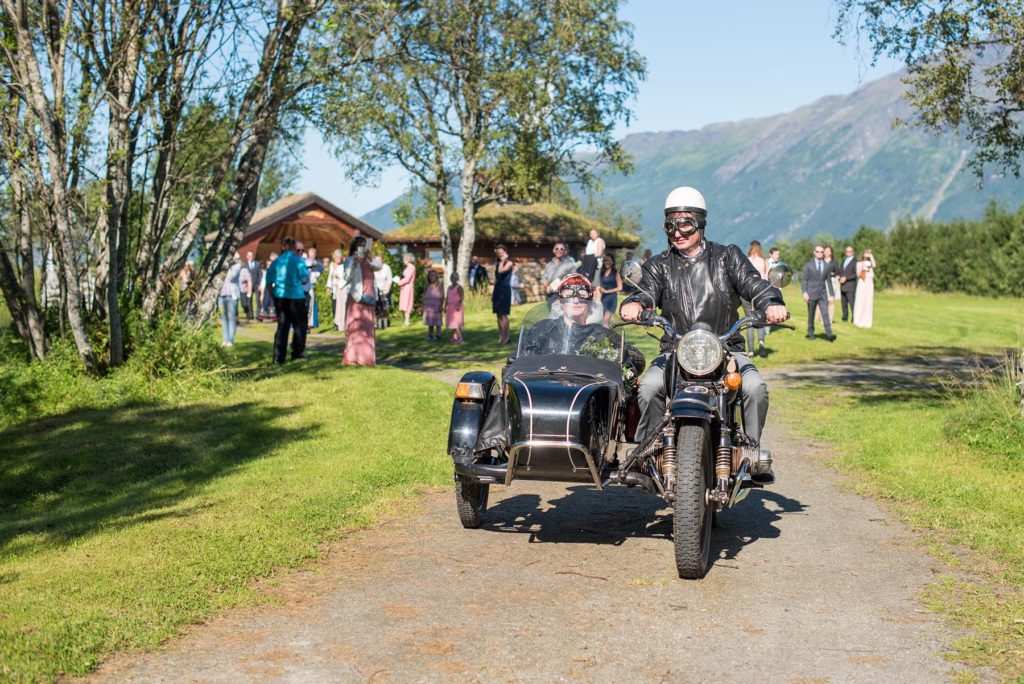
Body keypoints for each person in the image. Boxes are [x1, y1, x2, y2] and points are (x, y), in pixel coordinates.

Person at [619, 187, 788, 474]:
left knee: (754, 388)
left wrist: (771, 302)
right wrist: (635, 303)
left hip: (726, 348)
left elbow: (752, 284)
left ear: (700, 223)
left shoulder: (727, 257)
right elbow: (646, 290)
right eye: (670, 225)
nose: (678, 231)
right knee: (648, 387)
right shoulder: (659, 265)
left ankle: (751, 451)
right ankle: (649, 451)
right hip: (675, 349)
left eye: (685, 223)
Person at [521, 273, 617, 356]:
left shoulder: (601, 334)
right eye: (568, 296)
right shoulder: (542, 330)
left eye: (582, 296)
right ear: (560, 303)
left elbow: (628, 358)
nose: (575, 301)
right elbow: (518, 361)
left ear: (590, 302)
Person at [265, 236, 309, 364]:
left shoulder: (276, 262)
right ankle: (297, 352)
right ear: (295, 247)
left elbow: (268, 282)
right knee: (300, 326)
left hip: (281, 297)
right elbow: (304, 279)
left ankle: (278, 358)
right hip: (296, 297)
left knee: (282, 327)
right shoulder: (299, 261)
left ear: (283, 247)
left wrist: (273, 296)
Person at [342, 236, 377, 365]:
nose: (363, 247)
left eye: (364, 245)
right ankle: (353, 357)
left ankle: (367, 358)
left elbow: (378, 267)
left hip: (369, 296)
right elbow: (347, 277)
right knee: (355, 327)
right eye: (360, 245)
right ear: (355, 247)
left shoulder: (369, 260)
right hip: (357, 297)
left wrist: (370, 257)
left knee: (367, 328)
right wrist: (355, 263)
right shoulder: (350, 260)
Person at [801, 244, 836, 341]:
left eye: (821, 252)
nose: (820, 253)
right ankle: (810, 332)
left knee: (825, 314)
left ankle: (829, 334)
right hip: (811, 293)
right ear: (814, 252)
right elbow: (804, 279)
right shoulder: (808, 265)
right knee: (811, 315)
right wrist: (804, 292)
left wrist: (832, 294)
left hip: (823, 294)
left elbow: (828, 280)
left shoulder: (827, 265)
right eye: (818, 251)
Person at [742, 240, 770, 357]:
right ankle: (761, 341)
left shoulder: (746, 260)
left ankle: (751, 350)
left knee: (749, 321)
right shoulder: (764, 261)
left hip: (747, 292)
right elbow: (769, 277)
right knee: (760, 319)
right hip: (761, 291)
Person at [218, 255, 243, 347]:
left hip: (232, 296)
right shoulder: (222, 266)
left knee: (231, 318)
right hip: (221, 296)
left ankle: (231, 340)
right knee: (223, 318)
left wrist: (227, 266)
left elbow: (231, 277)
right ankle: (225, 339)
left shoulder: (237, 266)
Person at [492, 244, 514, 344]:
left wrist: (503, 260)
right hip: (497, 289)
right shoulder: (498, 263)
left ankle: (507, 337)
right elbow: (497, 278)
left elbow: (501, 271)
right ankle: (501, 336)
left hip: (505, 290)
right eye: (498, 253)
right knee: (498, 315)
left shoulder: (509, 263)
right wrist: (493, 293)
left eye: (501, 252)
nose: (499, 254)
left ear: (505, 252)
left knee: (504, 315)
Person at [596, 252, 622, 327]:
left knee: (605, 320)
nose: (607, 262)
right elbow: (600, 285)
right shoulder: (601, 273)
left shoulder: (616, 273)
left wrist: (607, 291)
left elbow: (620, 287)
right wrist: (600, 289)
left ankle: (607, 337)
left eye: (609, 260)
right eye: (605, 260)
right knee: (600, 320)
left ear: (613, 262)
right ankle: (601, 337)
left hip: (612, 299)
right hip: (603, 299)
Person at [853, 250, 876, 328]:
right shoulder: (859, 263)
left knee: (868, 301)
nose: (866, 257)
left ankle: (867, 321)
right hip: (862, 282)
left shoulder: (871, 263)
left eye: (867, 256)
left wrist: (871, 255)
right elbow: (858, 274)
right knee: (860, 300)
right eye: (864, 256)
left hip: (869, 282)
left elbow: (874, 265)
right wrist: (863, 267)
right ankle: (857, 320)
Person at [837, 245, 858, 322]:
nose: (848, 253)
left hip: (850, 286)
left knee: (852, 304)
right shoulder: (844, 261)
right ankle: (844, 318)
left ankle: (854, 319)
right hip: (842, 286)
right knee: (843, 304)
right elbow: (840, 271)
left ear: (853, 252)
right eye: (847, 251)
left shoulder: (855, 262)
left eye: (850, 251)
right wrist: (838, 275)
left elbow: (856, 274)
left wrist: (846, 278)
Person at [422, 268, 444, 340]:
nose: (432, 277)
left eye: (433, 276)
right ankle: (430, 334)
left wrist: (441, 305)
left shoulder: (439, 285)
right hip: (428, 306)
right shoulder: (427, 285)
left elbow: (442, 296)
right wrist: (423, 305)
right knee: (430, 321)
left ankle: (438, 334)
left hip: (437, 306)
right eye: (431, 276)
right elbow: (424, 295)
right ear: (428, 277)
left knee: (437, 321)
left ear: (436, 277)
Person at [373, 255, 393, 329]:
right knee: (375, 306)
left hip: (385, 288)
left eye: (379, 260)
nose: (378, 261)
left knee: (385, 306)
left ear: (382, 260)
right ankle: (375, 322)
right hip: (375, 289)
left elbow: (389, 280)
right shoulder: (373, 268)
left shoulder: (386, 268)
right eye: (376, 260)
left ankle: (387, 319)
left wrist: (387, 289)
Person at [397, 252, 416, 327]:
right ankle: (405, 321)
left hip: (408, 288)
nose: (403, 260)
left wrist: (399, 282)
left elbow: (407, 279)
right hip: (404, 288)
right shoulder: (408, 267)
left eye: (404, 258)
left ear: (408, 259)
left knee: (407, 305)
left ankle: (407, 322)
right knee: (404, 305)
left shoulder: (411, 267)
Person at [240, 251, 260, 321]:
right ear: (247, 257)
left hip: (256, 284)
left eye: (251, 255)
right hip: (248, 286)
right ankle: (250, 315)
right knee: (249, 300)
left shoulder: (257, 264)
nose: (250, 257)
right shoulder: (244, 265)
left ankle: (257, 315)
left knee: (258, 300)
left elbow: (259, 274)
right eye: (249, 255)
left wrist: (259, 284)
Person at [446, 272, 465, 343]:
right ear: (450, 278)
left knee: (456, 323)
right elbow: (447, 297)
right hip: (450, 307)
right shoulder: (449, 288)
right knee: (451, 323)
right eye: (452, 277)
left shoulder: (459, 287)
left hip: (457, 308)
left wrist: (458, 304)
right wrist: (445, 306)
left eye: (455, 277)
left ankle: (460, 338)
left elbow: (462, 297)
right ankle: (455, 337)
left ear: (457, 279)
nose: (454, 279)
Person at [259, 253, 277, 320]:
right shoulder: (268, 265)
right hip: (268, 283)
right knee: (266, 298)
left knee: (272, 299)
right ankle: (264, 313)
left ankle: (273, 314)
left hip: (274, 284)